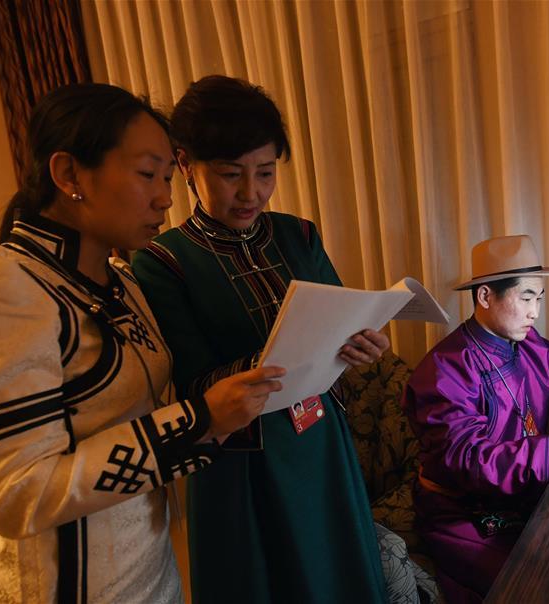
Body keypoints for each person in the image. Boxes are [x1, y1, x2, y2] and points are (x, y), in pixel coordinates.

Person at [0, 83, 284, 603]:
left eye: (167, 177)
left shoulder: (121, 281)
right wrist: (198, 421)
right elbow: (16, 493)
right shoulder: (7, 284)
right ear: (69, 174)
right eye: (147, 175)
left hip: (151, 569)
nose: (166, 197)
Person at [131, 75, 407, 603]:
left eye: (265, 172)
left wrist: (362, 343)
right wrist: (274, 360)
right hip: (242, 463)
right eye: (230, 174)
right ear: (185, 165)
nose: (251, 192)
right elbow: (190, 383)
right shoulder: (163, 263)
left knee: (340, 577)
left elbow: (341, 317)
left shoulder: (297, 234)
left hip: (320, 441)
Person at [403, 234, 549, 602]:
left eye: (539, 299)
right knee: (544, 584)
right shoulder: (445, 370)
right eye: (526, 298)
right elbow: (468, 460)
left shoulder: (526, 342)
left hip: (523, 493)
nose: (535, 313)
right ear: (486, 296)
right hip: (462, 513)